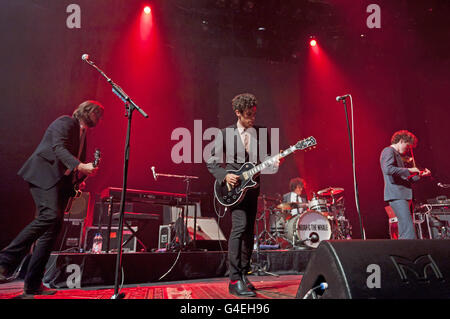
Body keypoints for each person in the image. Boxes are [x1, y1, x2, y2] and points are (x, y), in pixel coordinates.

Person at [0, 100, 104, 297]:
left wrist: (77, 179)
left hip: (59, 183)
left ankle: (32, 285)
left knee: (52, 230)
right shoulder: (66, 122)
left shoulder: (83, 134)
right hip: (43, 175)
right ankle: (5, 260)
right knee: (49, 216)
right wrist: (80, 166)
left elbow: (69, 162)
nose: (99, 119)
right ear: (87, 111)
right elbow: (58, 148)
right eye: (97, 114)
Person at [206, 93, 279, 297]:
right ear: (238, 113)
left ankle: (244, 275)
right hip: (232, 189)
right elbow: (210, 160)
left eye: (254, 114)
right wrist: (224, 175)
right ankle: (234, 278)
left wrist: (273, 163)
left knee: (248, 232)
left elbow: (265, 161)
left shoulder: (261, 132)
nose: (252, 119)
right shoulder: (225, 133)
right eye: (248, 115)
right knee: (238, 228)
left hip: (253, 188)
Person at [380, 130, 431, 239]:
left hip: (402, 195)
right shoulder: (388, 151)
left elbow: (404, 178)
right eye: (408, 147)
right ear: (402, 141)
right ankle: (411, 253)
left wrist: (421, 175)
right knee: (408, 230)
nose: (408, 150)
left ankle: (404, 253)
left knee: (405, 228)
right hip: (397, 194)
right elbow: (388, 169)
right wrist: (410, 169)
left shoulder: (397, 156)